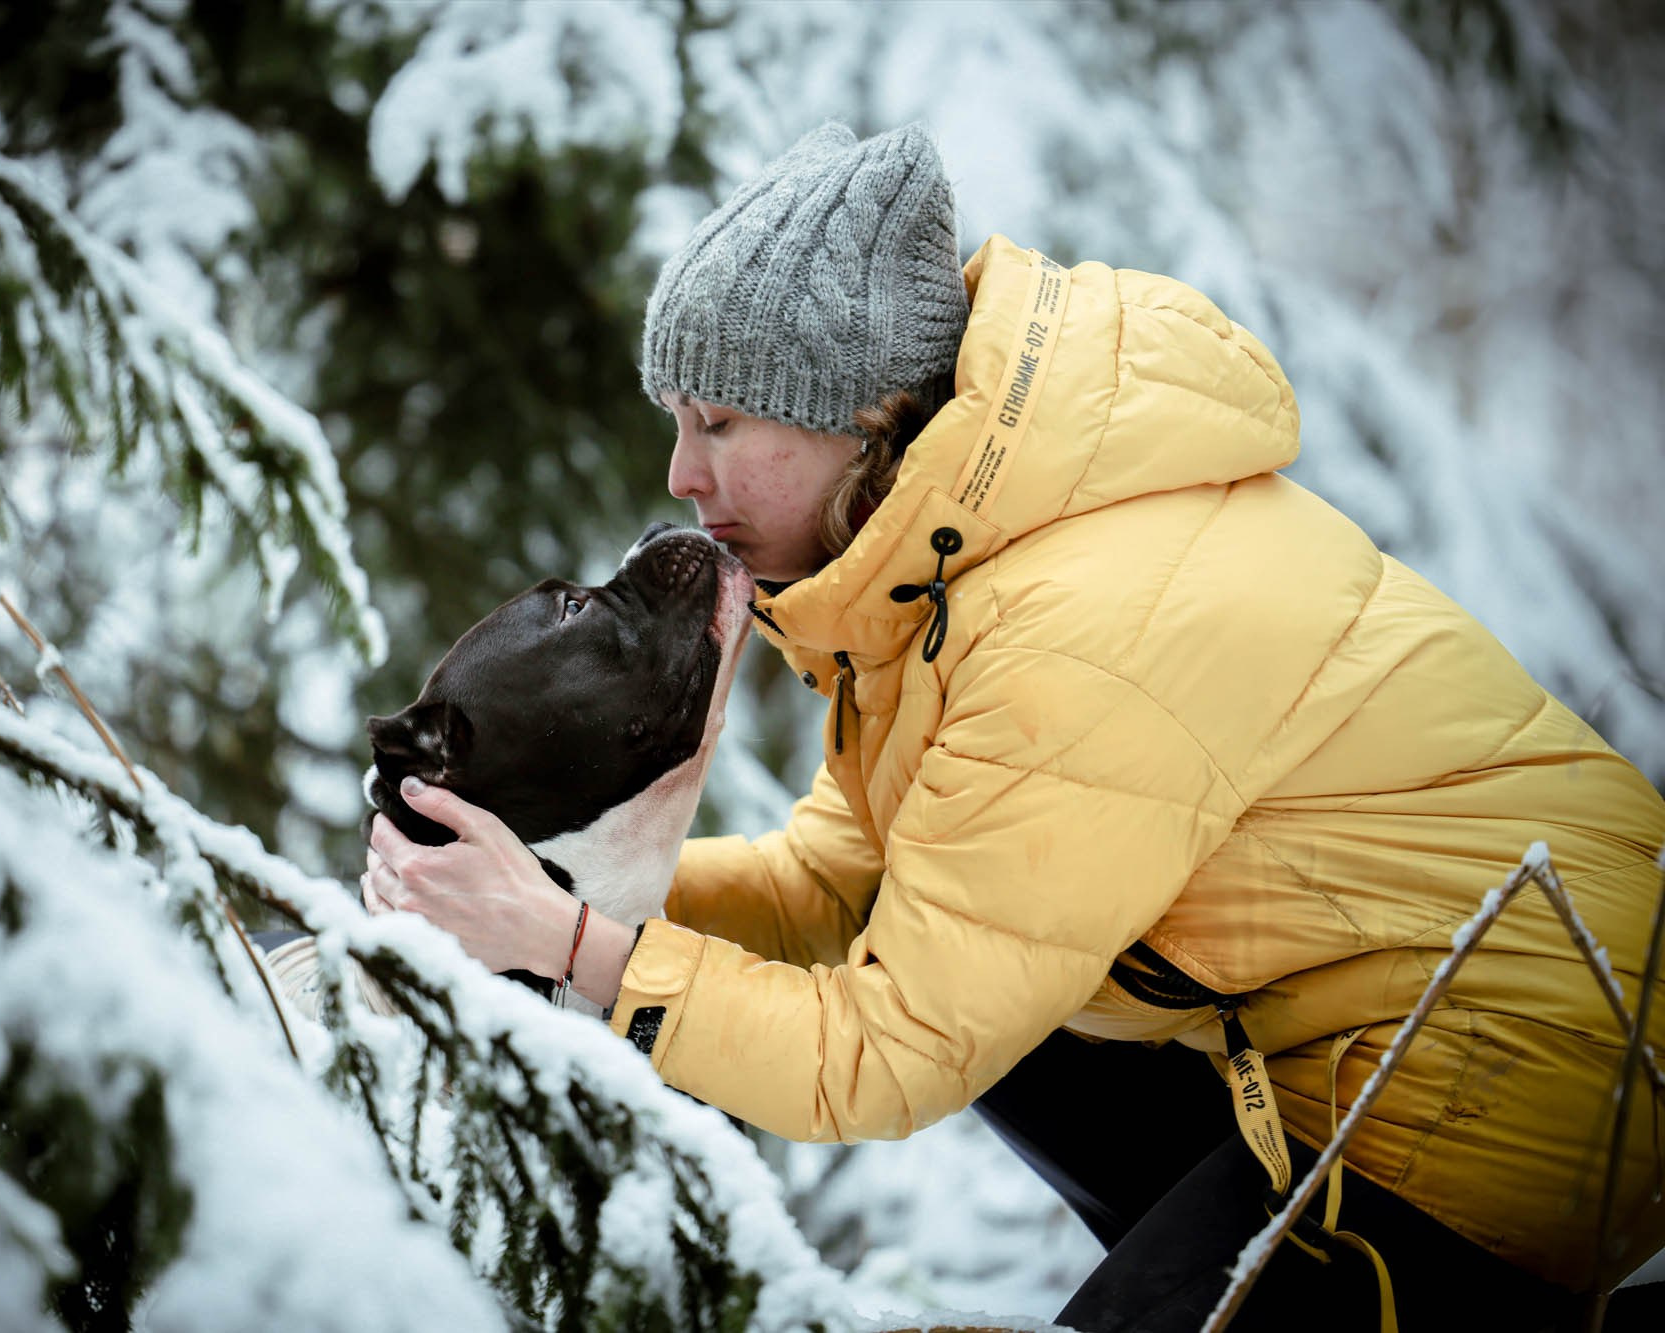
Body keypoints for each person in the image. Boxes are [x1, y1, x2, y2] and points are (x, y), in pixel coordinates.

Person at [362, 122, 1665, 1331]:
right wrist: (526, 897)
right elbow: (844, 890)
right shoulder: (948, 565)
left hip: (1525, 1064)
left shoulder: (1068, 623)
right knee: (982, 990)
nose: (681, 476)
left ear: (861, 421)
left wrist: (578, 948)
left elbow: (882, 1057)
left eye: (721, 424)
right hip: (1353, 1035)